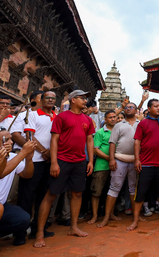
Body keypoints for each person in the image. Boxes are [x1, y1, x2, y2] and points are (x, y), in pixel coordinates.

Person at [33, 90, 96, 248]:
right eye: (82, 98)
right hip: (62, 160)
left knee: (77, 193)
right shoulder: (61, 117)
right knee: (51, 195)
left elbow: (89, 141)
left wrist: (90, 161)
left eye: (86, 98)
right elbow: (54, 140)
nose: (85, 101)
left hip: (80, 161)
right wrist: (54, 162)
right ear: (73, 100)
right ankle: (39, 232)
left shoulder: (87, 119)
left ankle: (73, 227)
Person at [14, 91, 56, 243]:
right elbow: (29, 135)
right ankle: (19, 233)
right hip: (34, 160)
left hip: (49, 161)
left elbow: (57, 137)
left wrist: (50, 152)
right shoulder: (32, 114)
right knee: (26, 196)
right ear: (41, 100)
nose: (50, 100)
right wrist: (43, 151)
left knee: (43, 197)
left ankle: (39, 229)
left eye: (53, 98)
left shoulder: (55, 116)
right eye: (48, 98)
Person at [128, 99, 159, 231]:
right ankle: (136, 220)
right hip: (146, 163)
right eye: (155, 106)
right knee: (141, 193)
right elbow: (137, 142)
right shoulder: (143, 123)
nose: (158, 108)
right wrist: (137, 159)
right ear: (149, 109)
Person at [87, 110, 118, 225]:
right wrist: (109, 158)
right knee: (96, 192)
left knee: (113, 190)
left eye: (115, 117)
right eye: (110, 117)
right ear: (105, 119)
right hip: (101, 166)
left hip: (116, 166)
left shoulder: (118, 131)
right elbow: (95, 149)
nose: (113, 119)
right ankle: (94, 216)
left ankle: (111, 214)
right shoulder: (100, 132)